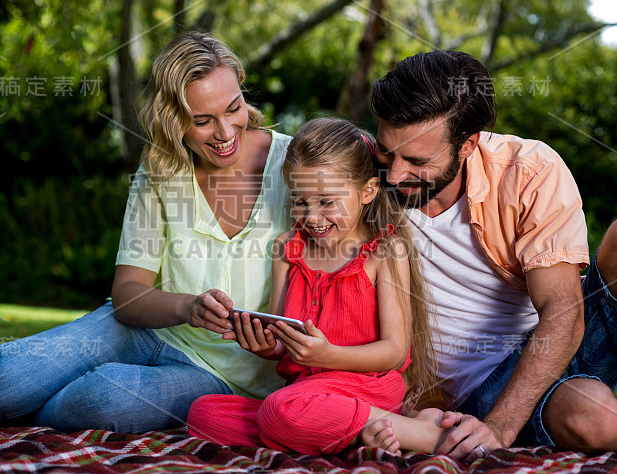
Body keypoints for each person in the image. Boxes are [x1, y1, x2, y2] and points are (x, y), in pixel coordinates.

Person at [0, 32, 294, 434]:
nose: (227, 131)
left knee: (102, 399)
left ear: (242, 88)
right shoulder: (161, 171)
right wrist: (188, 307)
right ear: (174, 119)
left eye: (234, 109)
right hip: (148, 330)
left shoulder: (296, 166)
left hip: (225, 377)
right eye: (203, 121)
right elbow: (128, 296)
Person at [362, 50, 617, 460]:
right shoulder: (360, 176)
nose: (396, 174)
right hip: (481, 392)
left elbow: (562, 308)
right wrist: (492, 422)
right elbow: (288, 156)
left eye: (418, 161)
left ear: (468, 144)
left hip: (556, 342)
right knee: (594, 419)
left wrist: (501, 429)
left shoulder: (527, 170)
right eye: (388, 153)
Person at [188, 118, 457, 455]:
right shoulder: (286, 250)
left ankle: (425, 436)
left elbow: (395, 351)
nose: (312, 217)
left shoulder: (385, 251)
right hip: (305, 392)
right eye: (301, 202)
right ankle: (362, 431)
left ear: (368, 192)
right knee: (204, 415)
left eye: (327, 202)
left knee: (278, 410)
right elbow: (280, 342)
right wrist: (261, 343)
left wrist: (330, 355)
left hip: (367, 386)